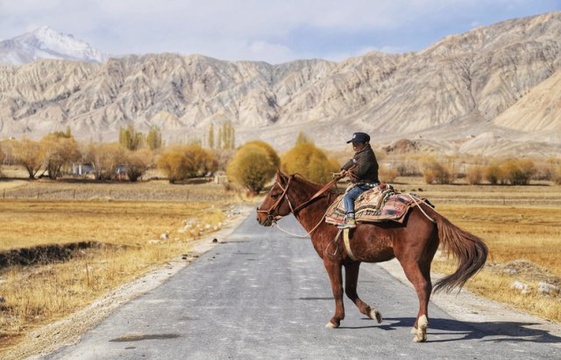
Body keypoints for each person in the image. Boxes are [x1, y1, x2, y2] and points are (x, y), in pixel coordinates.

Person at [337, 132, 380, 229]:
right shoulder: (361, 153)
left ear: (365, 143)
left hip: (368, 184)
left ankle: (350, 219)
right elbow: (353, 161)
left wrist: (349, 173)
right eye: (353, 144)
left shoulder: (367, 155)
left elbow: (360, 172)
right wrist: (343, 169)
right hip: (363, 183)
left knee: (348, 196)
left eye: (357, 144)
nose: (354, 146)